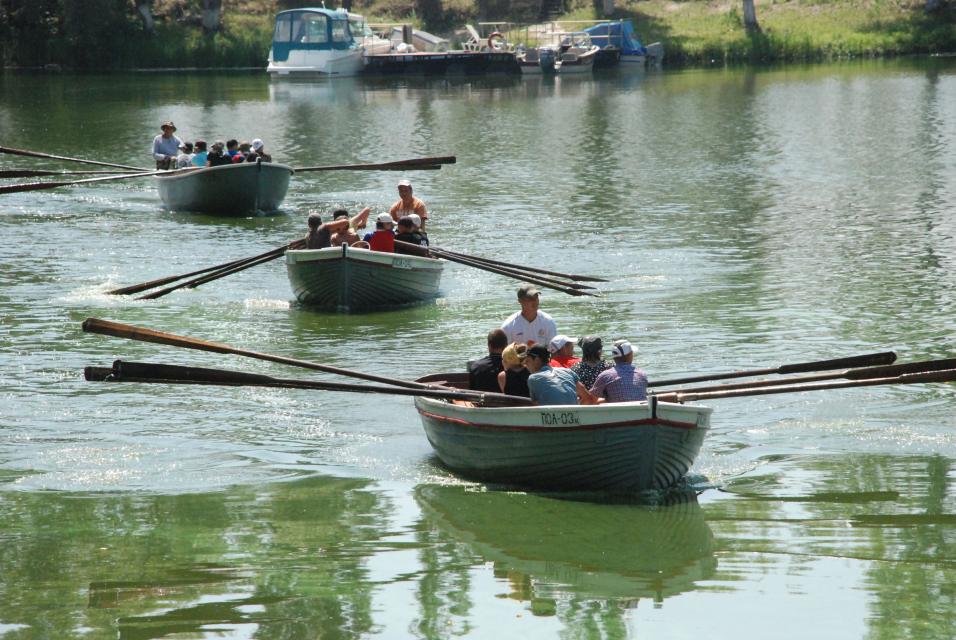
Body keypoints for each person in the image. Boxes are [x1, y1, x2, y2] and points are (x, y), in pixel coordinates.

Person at [525, 345, 597, 406]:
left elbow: (535, 405)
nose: (525, 364)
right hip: (574, 416)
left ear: (537, 360)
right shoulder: (568, 371)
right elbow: (588, 398)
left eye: (527, 360)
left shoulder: (533, 378)